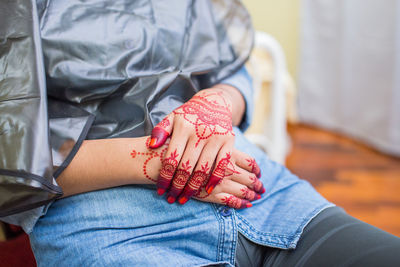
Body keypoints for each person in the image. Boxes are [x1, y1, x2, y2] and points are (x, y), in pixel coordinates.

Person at [1, 1, 399, 266]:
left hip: (260, 193)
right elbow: (9, 156)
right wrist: (160, 160)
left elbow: (231, 68)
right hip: (113, 227)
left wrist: (218, 102)